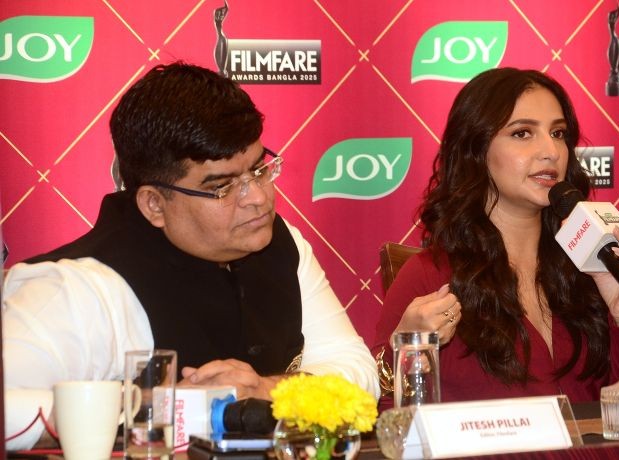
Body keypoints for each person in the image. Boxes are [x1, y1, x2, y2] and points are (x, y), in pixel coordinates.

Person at [3, 62, 379, 449]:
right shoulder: (74, 288)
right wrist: (160, 407)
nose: (257, 198)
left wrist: (268, 390)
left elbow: (357, 374)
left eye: (258, 170)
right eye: (222, 187)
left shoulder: (284, 244)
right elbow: (7, 406)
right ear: (154, 204)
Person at [374, 67, 619, 406]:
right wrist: (406, 350)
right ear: (476, 150)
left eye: (558, 133)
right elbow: (389, 418)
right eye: (522, 133)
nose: (551, 151)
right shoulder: (429, 277)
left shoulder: (589, 268)